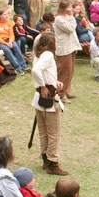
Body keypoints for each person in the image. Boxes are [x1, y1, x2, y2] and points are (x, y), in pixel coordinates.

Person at [31, 32, 67, 177]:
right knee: (53, 133)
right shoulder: (48, 55)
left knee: (43, 131)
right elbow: (36, 70)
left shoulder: (38, 55)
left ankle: (46, 159)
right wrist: (44, 86)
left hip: (39, 98)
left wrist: (53, 82)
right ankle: (53, 163)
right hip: (48, 99)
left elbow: (42, 72)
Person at [53, 0, 80, 101]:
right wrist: (72, 16)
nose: (71, 10)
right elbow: (70, 28)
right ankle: (61, 94)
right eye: (69, 7)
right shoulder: (59, 19)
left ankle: (66, 90)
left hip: (70, 46)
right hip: (63, 48)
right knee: (64, 71)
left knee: (70, 70)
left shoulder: (68, 17)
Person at [0, 9, 28, 75]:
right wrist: (6, 43)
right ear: (0, 15)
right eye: (5, 14)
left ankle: (23, 65)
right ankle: (17, 67)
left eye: (7, 14)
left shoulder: (9, 22)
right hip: (0, 41)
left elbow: (11, 34)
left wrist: (10, 42)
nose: (7, 16)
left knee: (16, 47)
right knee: (7, 50)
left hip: (9, 40)